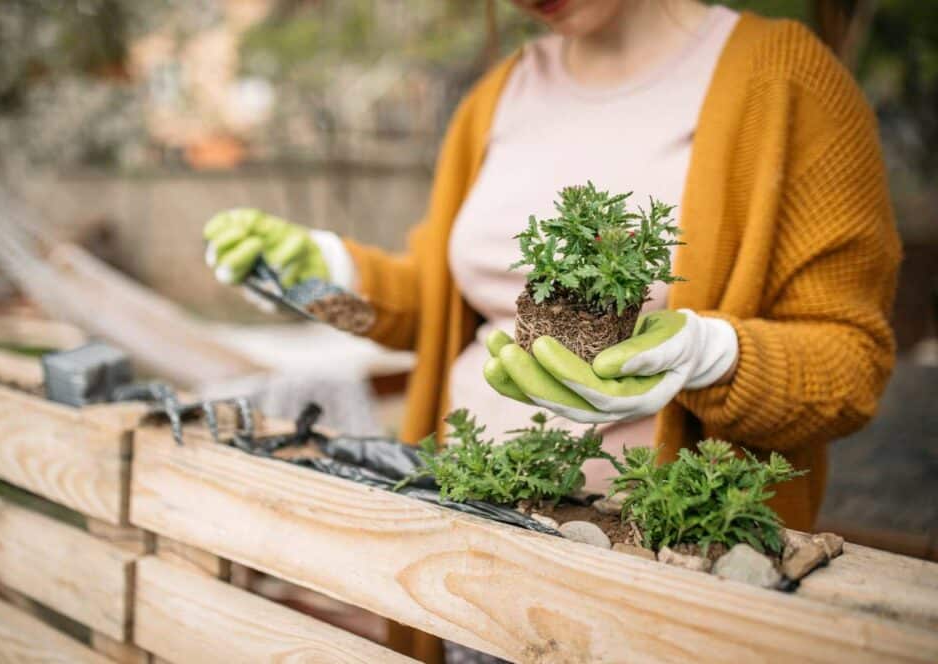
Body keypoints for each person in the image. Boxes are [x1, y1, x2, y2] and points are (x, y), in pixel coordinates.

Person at [204, 1, 899, 658]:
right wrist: (323, 278)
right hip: (465, 561)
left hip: (657, 590)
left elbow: (851, 365)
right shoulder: (500, 94)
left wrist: (710, 358)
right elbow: (440, 307)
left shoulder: (785, 80)